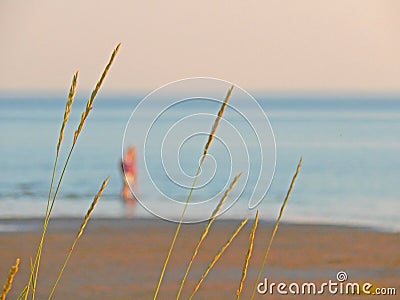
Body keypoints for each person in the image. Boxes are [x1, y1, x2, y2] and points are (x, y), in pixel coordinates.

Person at [121, 146, 137, 216]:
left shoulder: (132, 158)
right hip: (127, 174)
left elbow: (133, 168)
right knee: (126, 186)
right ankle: (125, 196)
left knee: (128, 186)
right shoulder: (126, 158)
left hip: (131, 175)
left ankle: (127, 196)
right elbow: (122, 164)